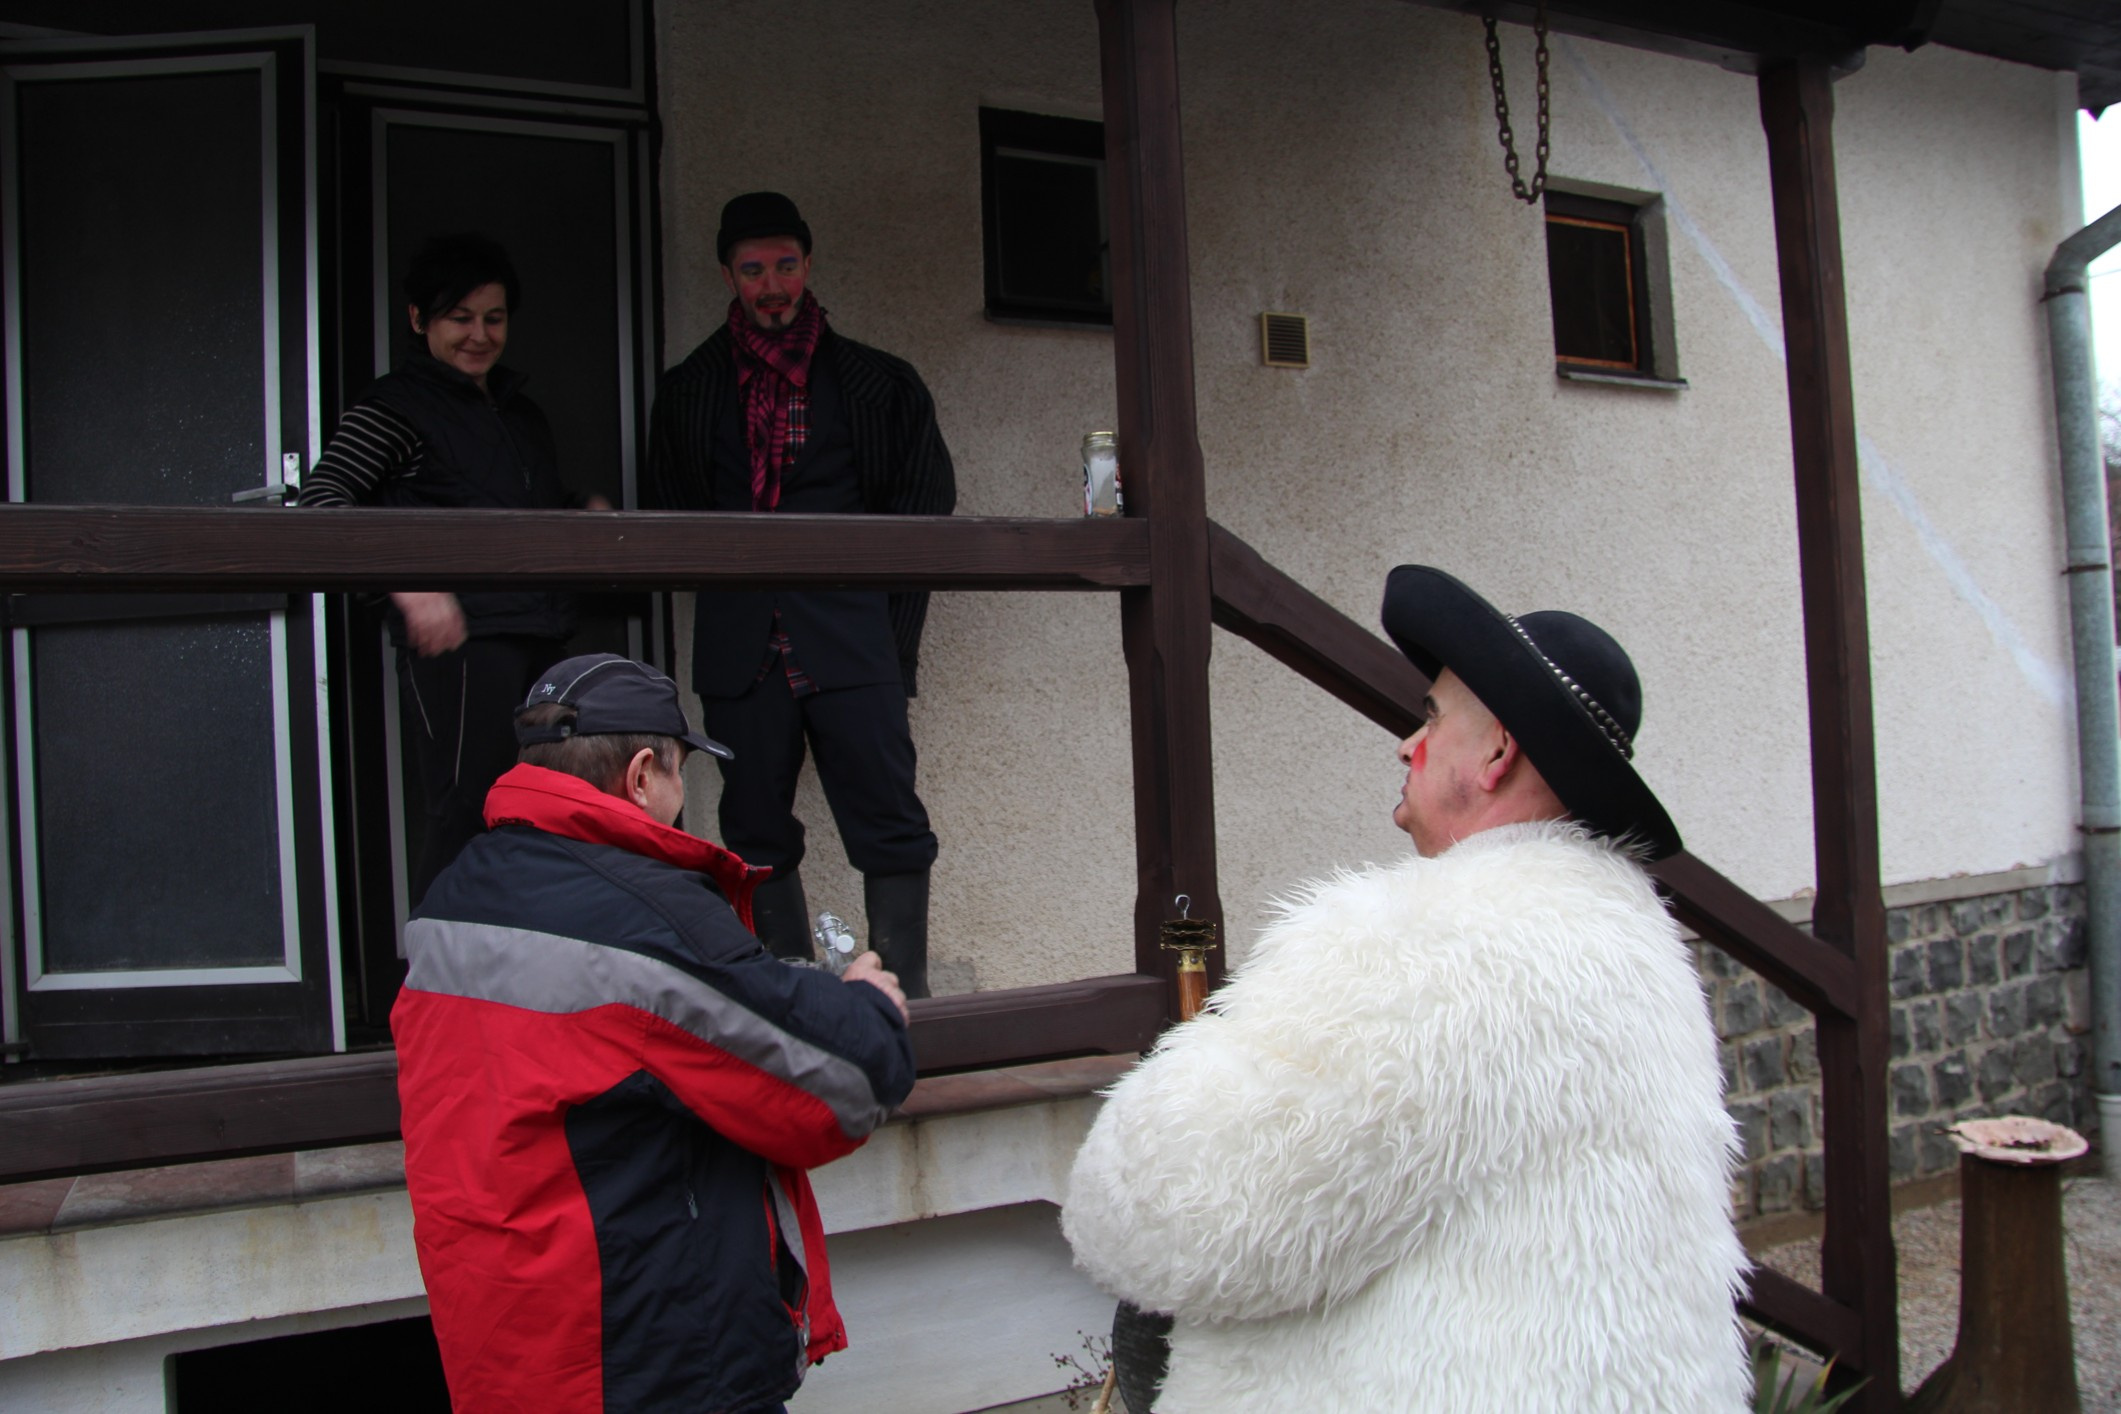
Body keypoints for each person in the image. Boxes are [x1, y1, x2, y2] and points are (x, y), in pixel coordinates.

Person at [1061, 565, 1748, 1412]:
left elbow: (1178, 1218)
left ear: (1496, 752)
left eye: (1431, 717)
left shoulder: (1440, 941)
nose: (1406, 743)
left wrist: (1167, 1093)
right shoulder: (1630, 940)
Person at [393, 652, 917, 1414]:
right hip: (643, 1359)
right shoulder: (640, 919)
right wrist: (869, 1003)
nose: (680, 798)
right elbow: (843, 1083)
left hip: (505, 1346)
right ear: (641, 775)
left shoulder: (454, 895)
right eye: (680, 773)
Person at [646, 191, 954, 996]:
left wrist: (889, 640)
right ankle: (785, 996)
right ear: (728, 276)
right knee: (751, 826)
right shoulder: (689, 390)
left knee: (888, 818)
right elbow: (670, 511)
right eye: (753, 270)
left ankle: (903, 1000)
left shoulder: (879, 384)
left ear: (808, 265)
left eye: (785, 265)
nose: (772, 284)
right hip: (740, 647)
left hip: (853, 637)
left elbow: (923, 510)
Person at [300, 232, 608, 904]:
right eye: (459, 318)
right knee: (469, 808)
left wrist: (581, 513)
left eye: (493, 318)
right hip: (463, 643)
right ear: (419, 320)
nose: (479, 335)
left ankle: (516, 962)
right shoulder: (393, 407)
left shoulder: (521, 413)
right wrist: (407, 585)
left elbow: (512, 506)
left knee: (543, 810)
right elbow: (322, 505)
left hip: (540, 634)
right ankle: (433, 965)